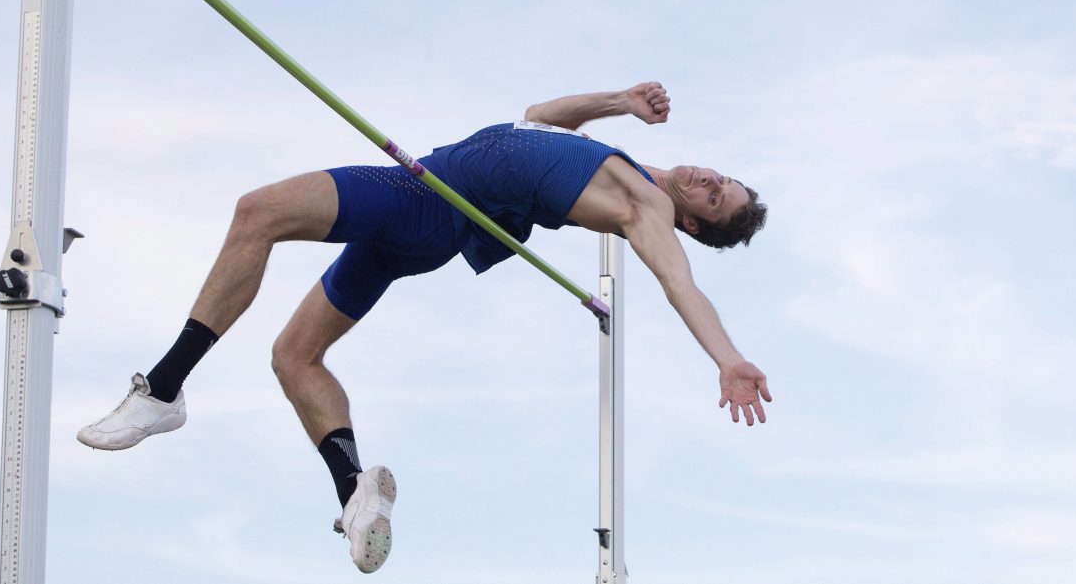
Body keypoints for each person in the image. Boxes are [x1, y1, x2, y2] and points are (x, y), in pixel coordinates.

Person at [77, 82, 770, 574]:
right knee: (294, 355)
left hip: (422, 200)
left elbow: (681, 286)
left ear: (694, 221)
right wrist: (619, 100)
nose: (710, 178)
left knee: (258, 210)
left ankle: (164, 387)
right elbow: (536, 116)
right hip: (424, 217)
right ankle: (355, 490)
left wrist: (728, 357)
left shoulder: (645, 206)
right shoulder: (625, 167)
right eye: (723, 176)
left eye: (715, 195)